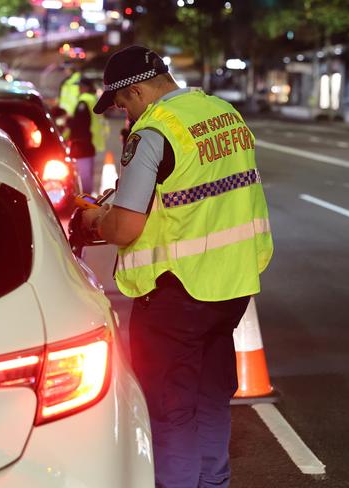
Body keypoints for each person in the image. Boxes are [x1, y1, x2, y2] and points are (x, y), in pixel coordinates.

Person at [79, 45, 273, 488]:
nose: (125, 115)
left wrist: (94, 219)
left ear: (139, 89)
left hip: (174, 292)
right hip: (230, 286)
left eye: (124, 103)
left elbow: (126, 227)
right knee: (209, 401)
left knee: (171, 410)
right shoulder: (222, 113)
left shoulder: (154, 133)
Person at [66, 78, 106, 193]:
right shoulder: (93, 99)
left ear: (86, 88)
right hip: (92, 141)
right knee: (88, 173)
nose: (79, 89)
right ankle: (88, 196)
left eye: (81, 86)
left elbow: (79, 124)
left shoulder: (83, 102)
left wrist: (69, 123)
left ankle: (86, 198)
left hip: (83, 143)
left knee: (83, 174)